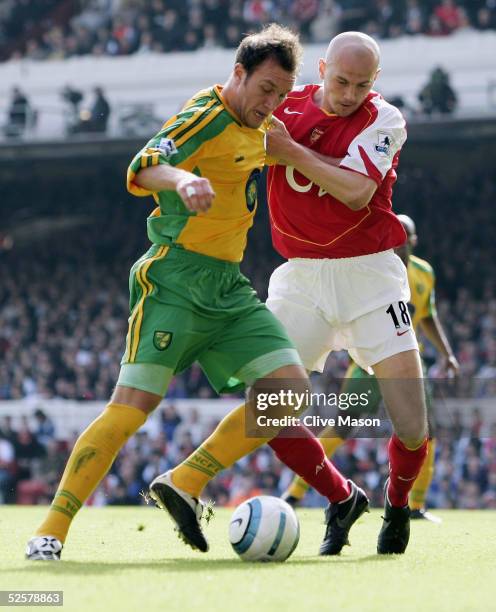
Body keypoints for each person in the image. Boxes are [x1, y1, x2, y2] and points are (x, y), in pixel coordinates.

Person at [26, 25, 367, 562]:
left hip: (229, 289)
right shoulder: (204, 116)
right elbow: (143, 166)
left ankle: (184, 481)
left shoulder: (266, 127)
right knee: (133, 408)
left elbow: (317, 126)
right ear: (238, 74)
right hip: (175, 280)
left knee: (289, 391)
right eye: (265, 89)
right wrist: (182, 181)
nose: (272, 103)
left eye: (281, 93)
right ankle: (52, 529)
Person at [265, 31, 428, 554]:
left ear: (374, 81)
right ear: (320, 67)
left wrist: (288, 152)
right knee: (267, 407)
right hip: (302, 274)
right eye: (340, 80)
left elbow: (358, 192)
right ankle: (340, 497)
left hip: (371, 275)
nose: (349, 92)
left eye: (361, 84)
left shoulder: (385, 119)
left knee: (410, 424)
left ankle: (398, 504)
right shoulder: (282, 107)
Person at [282, 214, 460, 522]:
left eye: (406, 234)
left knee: (423, 432)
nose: (400, 238)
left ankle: (416, 506)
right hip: (366, 366)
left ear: (413, 241)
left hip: (406, 362)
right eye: (397, 231)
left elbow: (428, 316)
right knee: (342, 426)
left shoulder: (423, 274)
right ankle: (295, 493)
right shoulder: (371, 269)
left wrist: (446, 354)